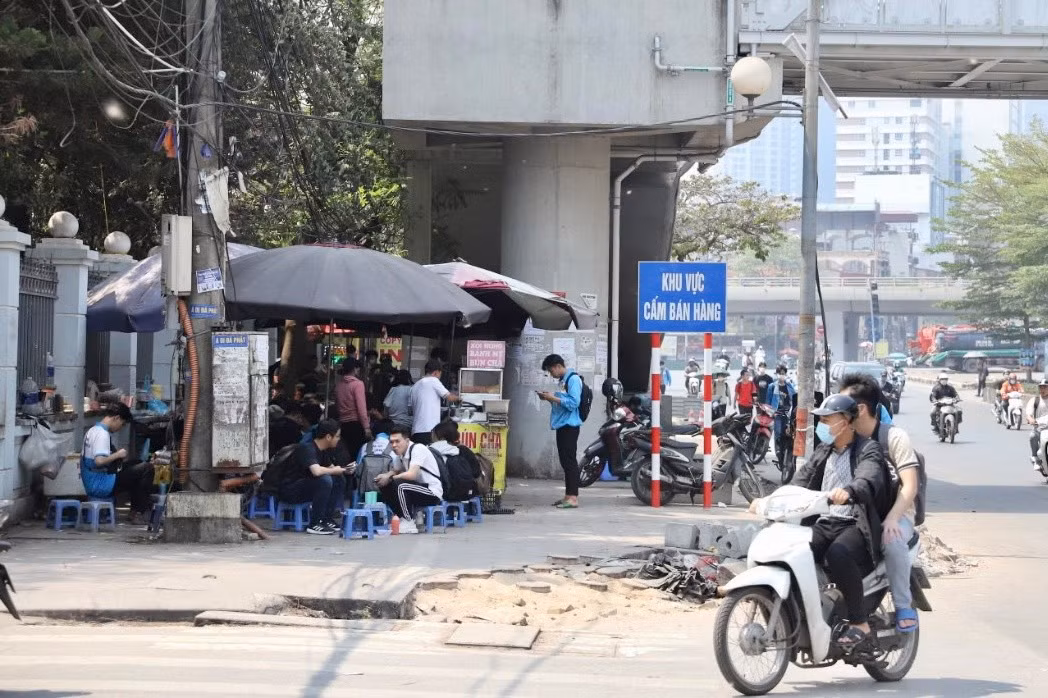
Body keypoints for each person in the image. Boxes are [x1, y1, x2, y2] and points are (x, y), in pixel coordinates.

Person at [792, 394, 890, 650]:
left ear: (845, 422)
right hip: (824, 522)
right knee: (793, 550)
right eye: (821, 420)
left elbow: (868, 477)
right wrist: (772, 499)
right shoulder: (823, 451)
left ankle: (860, 622)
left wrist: (850, 491)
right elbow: (801, 480)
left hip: (854, 523)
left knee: (838, 554)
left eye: (827, 420)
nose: (821, 425)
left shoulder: (868, 449)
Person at [840, 373, 921, 633]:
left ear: (861, 409)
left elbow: (910, 485)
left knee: (892, 540)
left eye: (843, 405)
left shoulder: (893, 438)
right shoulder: (844, 438)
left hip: (894, 514)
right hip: (855, 514)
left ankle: (903, 605)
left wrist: (893, 518)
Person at [80, 403, 156, 525]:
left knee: (137, 463)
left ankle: (135, 511)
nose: (120, 427)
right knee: (147, 469)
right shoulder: (102, 434)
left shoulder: (93, 430)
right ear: (116, 418)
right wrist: (118, 455)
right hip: (101, 484)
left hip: (93, 479)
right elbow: (99, 461)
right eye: (122, 424)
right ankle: (138, 512)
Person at [278, 419, 349, 535]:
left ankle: (326, 519)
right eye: (337, 436)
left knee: (338, 479)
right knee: (324, 480)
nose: (339, 439)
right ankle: (315, 523)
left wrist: (345, 470)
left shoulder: (323, 451)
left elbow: (332, 469)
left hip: (304, 487)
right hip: (290, 490)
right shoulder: (307, 448)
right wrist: (334, 470)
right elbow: (316, 471)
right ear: (328, 437)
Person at [375, 427, 443, 530]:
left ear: (407, 441)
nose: (394, 445)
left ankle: (408, 521)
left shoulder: (418, 449)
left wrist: (391, 478)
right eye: (391, 442)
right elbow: (395, 471)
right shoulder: (400, 455)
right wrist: (385, 476)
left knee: (400, 485)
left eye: (397, 441)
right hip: (416, 490)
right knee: (385, 484)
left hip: (432, 492)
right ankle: (399, 517)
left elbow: (412, 475)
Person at [538, 353, 583, 509]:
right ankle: (568, 495)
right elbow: (563, 403)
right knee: (565, 461)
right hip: (563, 425)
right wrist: (548, 398)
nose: (551, 375)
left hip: (570, 426)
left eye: (551, 371)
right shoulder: (564, 381)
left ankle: (573, 498)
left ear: (558, 366)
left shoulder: (573, 380)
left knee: (570, 461)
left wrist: (553, 398)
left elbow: (574, 403)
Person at [409, 359, 460, 444]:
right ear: (436, 372)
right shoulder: (433, 380)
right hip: (429, 430)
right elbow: (450, 397)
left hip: (415, 431)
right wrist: (461, 398)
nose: (439, 377)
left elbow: (410, 411)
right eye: (440, 374)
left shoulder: (415, 386)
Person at [335, 358, 371, 460]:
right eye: (358, 368)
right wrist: (366, 427)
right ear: (354, 369)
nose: (359, 370)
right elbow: (361, 407)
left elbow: (337, 405)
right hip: (356, 425)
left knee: (346, 454)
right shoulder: (358, 384)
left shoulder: (338, 385)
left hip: (343, 425)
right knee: (357, 455)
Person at [768, 366, 797, 460]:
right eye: (780, 373)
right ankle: (778, 451)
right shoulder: (772, 386)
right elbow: (768, 401)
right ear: (777, 374)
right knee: (778, 433)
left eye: (783, 373)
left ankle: (785, 451)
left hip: (788, 413)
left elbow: (794, 398)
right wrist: (771, 412)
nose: (782, 375)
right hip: (777, 413)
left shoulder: (789, 386)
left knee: (787, 433)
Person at [1026, 379, 1048, 469]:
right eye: (1041, 387)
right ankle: (1035, 457)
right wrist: (1030, 419)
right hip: (1039, 428)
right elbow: (1029, 414)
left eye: (1045, 387)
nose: (1042, 389)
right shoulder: (1034, 400)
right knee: (1033, 436)